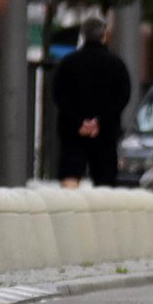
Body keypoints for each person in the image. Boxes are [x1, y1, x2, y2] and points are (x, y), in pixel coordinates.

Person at [51, 16, 132, 188]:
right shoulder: (116, 65)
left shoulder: (68, 63)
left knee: (71, 172)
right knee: (104, 177)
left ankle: (69, 209)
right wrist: (99, 121)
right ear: (104, 36)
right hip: (105, 131)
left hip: (73, 130)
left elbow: (59, 95)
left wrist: (79, 121)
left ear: (83, 35)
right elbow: (123, 96)